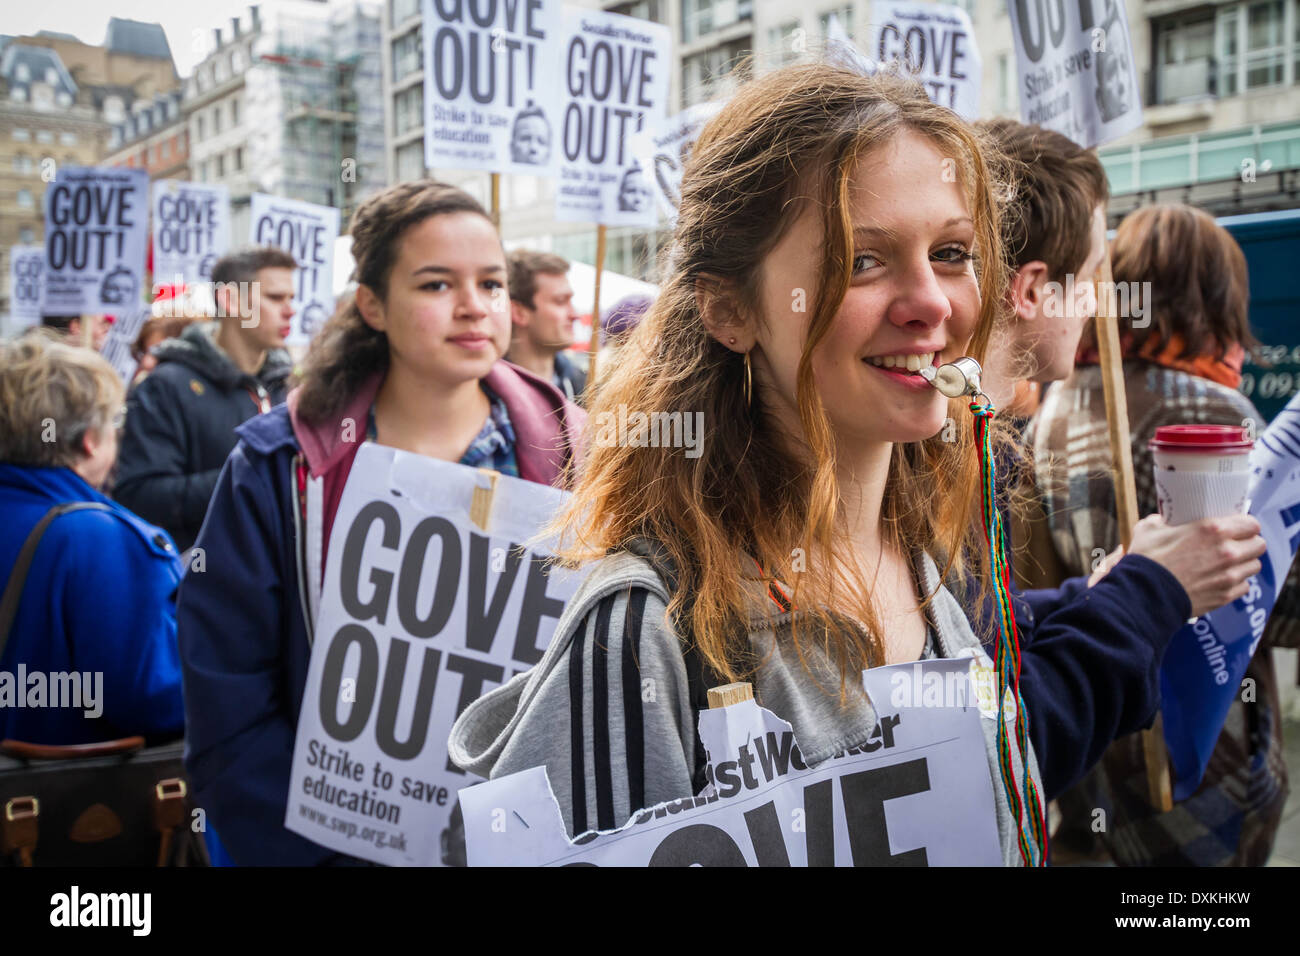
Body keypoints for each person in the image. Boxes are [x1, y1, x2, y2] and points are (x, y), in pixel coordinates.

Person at [448, 64, 1264, 864]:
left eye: (951, 252)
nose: (932, 303)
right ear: (730, 308)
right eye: (862, 261)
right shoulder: (646, 627)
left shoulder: (931, 574)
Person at [177, 180, 585, 866]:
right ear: (372, 304)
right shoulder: (278, 468)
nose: (472, 308)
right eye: (434, 285)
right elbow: (227, 699)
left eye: (490, 283)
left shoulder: (579, 451)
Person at [1032, 204, 1291, 866]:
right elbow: (1269, 600)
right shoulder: (1215, 412)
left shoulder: (1054, 404)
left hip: (1092, 732)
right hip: (1204, 750)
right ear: (1217, 298)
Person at [0, 332, 184, 745]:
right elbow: (153, 700)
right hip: (66, 802)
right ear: (89, 440)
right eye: (114, 425)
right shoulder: (104, 540)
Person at [113, 247, 295, 552]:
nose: (291, 310)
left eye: (291, 298)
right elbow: (138, 496)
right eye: (275, 298)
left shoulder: (285, 387)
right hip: (200, 583)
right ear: (231, 300)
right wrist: (249, 474)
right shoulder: (167, 386)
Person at [505, 249, 586, 402]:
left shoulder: (583, 387)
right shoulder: (486, 393)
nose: (574, 315)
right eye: (561, 301)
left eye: (571, 301)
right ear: (519, 312)